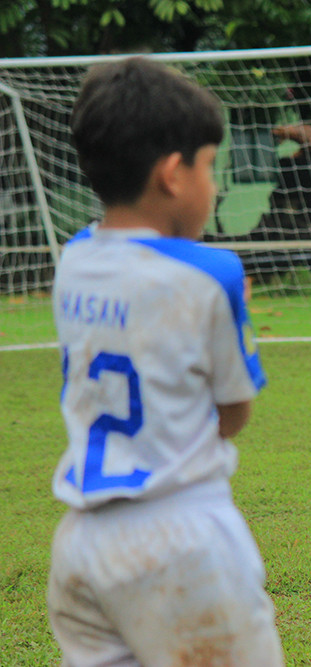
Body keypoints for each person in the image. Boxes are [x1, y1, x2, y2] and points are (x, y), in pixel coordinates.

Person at [47, 57, 283, 666]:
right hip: (181, 538)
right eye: (210, 166)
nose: (214, 183)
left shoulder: (72, 260)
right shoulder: (213, 274)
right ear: (174, 174)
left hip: (79, 544)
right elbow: (233, 415)